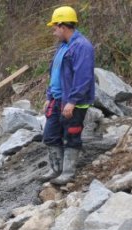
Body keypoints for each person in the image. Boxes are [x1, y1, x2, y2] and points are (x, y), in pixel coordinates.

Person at [41, 6, 95, 185]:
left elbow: (83, 77)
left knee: (71, 135)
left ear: (63, 26)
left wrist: (72, 101)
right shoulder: (63, 47)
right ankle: (55, 169)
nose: (54, 32)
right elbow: (55, 74)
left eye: (55, 27)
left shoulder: (82, 46)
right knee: (50, 135)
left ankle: (68, 172)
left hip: (73, 102)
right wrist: (49, 96)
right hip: (58, 100)